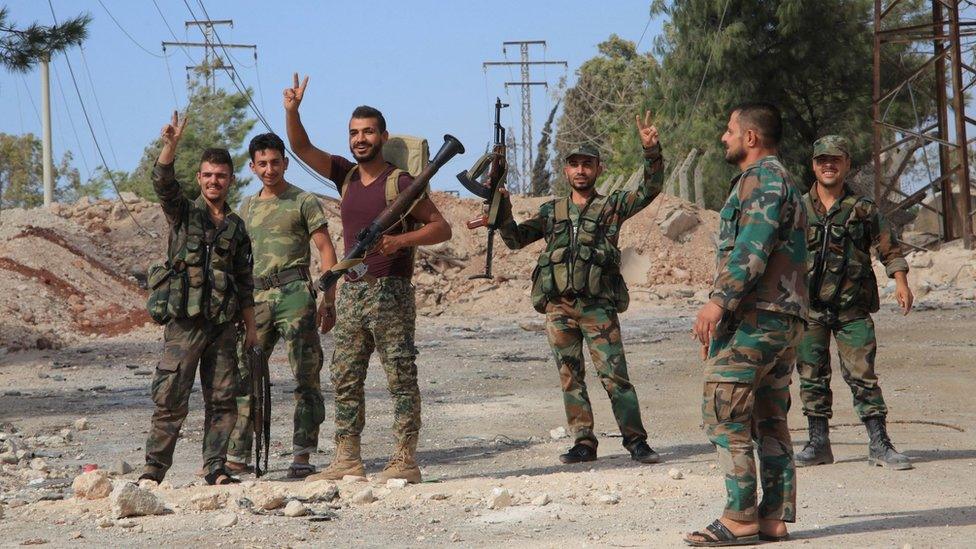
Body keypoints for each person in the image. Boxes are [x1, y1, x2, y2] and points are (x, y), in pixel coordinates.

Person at [283, 74, 452, 483]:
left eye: (368, 132)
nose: (360, 139)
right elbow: (301, 148)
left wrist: (399, 240)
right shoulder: (345, 176)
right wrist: (293, 111)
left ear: (383, 136)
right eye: (354, 133)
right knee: (345, 376)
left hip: (390, 291)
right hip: (355, 291)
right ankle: (347, 458)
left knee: (399, 375)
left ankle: (404, 459)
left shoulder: (402, 183)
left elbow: (441, 228)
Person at [495, 111, 664, 465]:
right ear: (566, 171)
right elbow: (515, 240)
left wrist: (651, 151)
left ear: (598, 169)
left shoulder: (612, 207)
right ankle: (583, 443)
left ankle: (636, 442)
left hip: (597, 307)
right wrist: (502, 210)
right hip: (559, 308)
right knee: (570, 378)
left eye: (587, 164)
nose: (581, 170)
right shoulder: (551, 211)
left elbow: (650, 189)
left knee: (615, 377)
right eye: (574, 164)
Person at [686, 103, 807, 546]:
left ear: (750, 138)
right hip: (780, 317)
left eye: (730, 130)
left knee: (723, 411)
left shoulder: (762, 178)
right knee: (769, 416)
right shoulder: (781, 180)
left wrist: (718, 304)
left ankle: (739, 518)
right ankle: (773, 518)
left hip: (758, 316)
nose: (724, 137)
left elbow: (751, 246)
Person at [140, 111, 257, 486]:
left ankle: (216, 468)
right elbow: (162, 183)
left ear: (230, 181)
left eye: (220, 176)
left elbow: (245, 280)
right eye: (207, 175)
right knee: (171, 397)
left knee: (223, 400)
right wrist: (170, 146)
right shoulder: (184, 213)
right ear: (199, 178)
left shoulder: (237, 227)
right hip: (184, 324)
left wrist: (251, 329)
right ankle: (153, 471)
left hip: (222, 326)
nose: (213, 181)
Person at [795, 135, 914, 470]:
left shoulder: (864, 209)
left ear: (846, 164)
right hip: (811, 310)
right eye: (822, 160)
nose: (828, 166)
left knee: (863, 375)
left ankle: (880, 443)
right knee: (811, 376)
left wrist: (901, 282)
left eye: (835, 160)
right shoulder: (798, 209)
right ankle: (818, 444)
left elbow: (889, 248)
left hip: (853, 310)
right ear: (814, 165)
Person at [225, 132, 339, 478]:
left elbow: (326, 251)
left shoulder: (303, 201)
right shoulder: (245, 207)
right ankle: (238, 455)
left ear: (285, 163)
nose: (269, 169)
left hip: (295, 296)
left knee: (306, 377)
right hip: (256, 299)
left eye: (275, 162)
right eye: (262, 163)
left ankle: (302, 455)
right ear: (252, 167)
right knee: (245, 374)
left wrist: (328, 299)